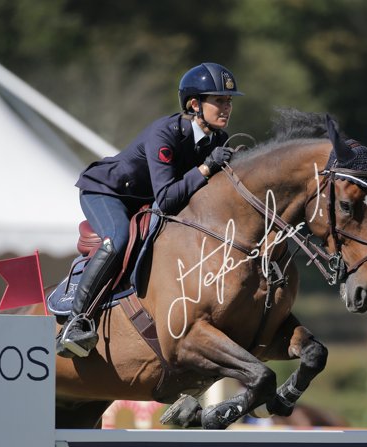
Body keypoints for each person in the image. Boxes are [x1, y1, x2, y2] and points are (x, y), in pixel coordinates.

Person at [57, 62, 244, 358]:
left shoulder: (218, 140)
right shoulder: (165, 134)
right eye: (218, 100)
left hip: (145, 200)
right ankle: (76, 322)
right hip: (107, 192)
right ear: (195, 104)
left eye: (229, 101)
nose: (226, 108)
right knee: (117, 239)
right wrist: (207, 168)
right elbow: (168, 198)